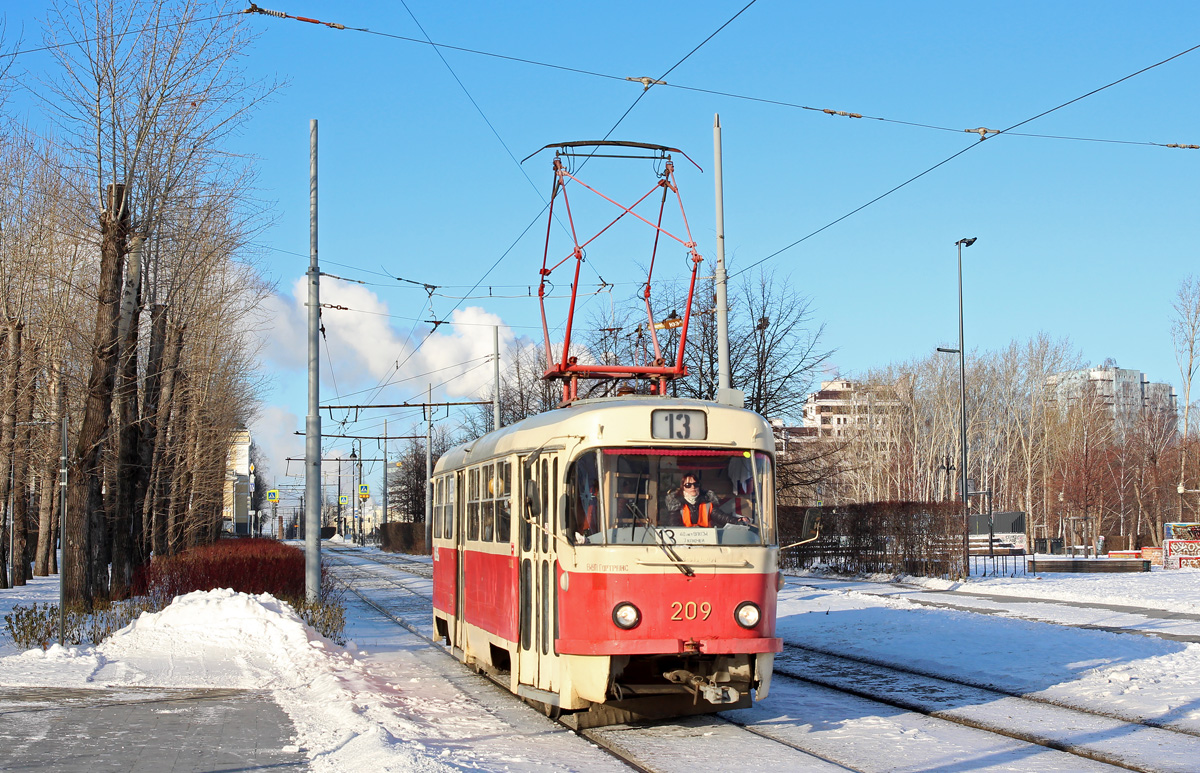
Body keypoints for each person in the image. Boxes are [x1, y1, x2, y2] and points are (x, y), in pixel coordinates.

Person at [662, 473, 748, 528]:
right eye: (688, 485)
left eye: (695, 484)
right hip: (684, 543)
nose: (693, 487)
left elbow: (721, 517)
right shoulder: (676, 504)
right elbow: (673, 525)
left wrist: (737, 521)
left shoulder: (707, 503)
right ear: (683, 488)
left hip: (705, 541)